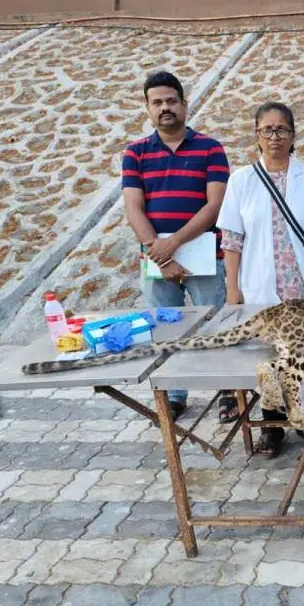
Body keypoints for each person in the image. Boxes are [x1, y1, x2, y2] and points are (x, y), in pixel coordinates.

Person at [217, 101, 304, 456]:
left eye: (282, 130)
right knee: (267, 359)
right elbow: (232, 240)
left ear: (293, 136)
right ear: (257, 135)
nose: (275, 137)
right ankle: (272, 426)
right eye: (267, 130)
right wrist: (233, 289)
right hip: (262, 288)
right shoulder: (241, 181)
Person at [122, 70, 232, 422]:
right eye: (157, 103)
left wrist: (174, 244)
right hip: (155, 257)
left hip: (202, 253)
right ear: (147, 108)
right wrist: (159, 254)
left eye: (171, 101)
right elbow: (133, 208)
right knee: (164, 326)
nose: (165, 108)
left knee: (216, 324)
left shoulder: (210, 148)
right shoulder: (135, 153)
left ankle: (229, 391)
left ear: (185, 104)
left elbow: (214, 205)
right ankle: (174, 395)